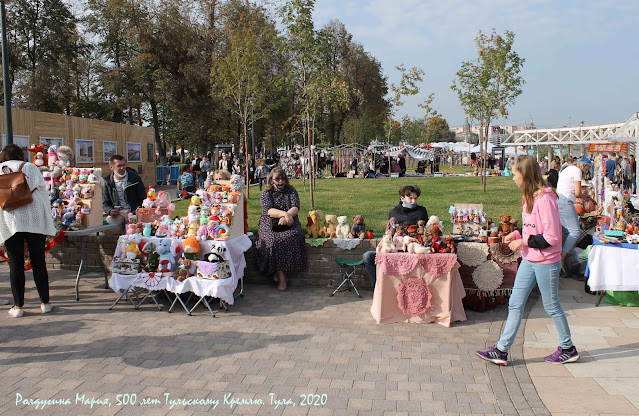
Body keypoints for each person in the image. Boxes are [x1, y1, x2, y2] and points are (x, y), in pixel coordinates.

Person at [476, 155, 579, 366]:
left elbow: (552, 237)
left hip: (546, 262)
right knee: (515, 304)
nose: (512, 178)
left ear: (525, 174)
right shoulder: (530, 197)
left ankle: (567, 348)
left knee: (551, 305)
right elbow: (533, 228)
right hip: (530, 259)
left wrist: (523, 241)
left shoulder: (546, 199)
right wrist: (516, 235)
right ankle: (502, 350)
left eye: (514, 174)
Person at [0, 144, 56, 317]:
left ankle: (18, 307)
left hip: (10, 220)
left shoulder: (0, 169)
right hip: (35, 220)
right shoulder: (31, 167)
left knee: (15, 264)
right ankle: (45, 303)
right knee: (39, 262)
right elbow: (43, 193)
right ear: (21, 154)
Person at [362, 185, 429, 287]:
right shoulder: (394, 212)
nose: (413, 201)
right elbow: (390, 231)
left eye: (415, 198)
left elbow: (426, 230)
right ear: (402, 198)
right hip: (395, 249)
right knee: (367, 257)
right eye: (410, 198)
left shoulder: (421, 211)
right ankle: (378, 287)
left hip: (414, 248)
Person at [255, 167, 306, 291]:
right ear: (271, 180)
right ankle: (281, 276)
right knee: (272, 241)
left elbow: (295, 207)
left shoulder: (291, 190)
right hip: (270, 222)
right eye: (277, 179)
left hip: (289, 221)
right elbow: (269, 210)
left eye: (282, 178)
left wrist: (287, 216)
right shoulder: (266, 193)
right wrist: (284, 214)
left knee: (292, 236)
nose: (280, 181)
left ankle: (280, 273)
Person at [556, 157, 591, 265]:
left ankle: (567, 261)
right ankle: (562, 257)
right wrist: (584, 196)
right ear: (584, 166)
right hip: (566, 201)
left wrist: (582, 196)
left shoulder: (569, 168)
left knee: (567, 232)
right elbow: (577, 192)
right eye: (588, 168)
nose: (588, 171)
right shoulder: (577, 171)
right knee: (575, 232)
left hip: (559, 199)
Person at [103, 154, 146, 225]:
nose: (122, 168)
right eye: (118, 166)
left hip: (134, 211)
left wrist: (136, 212)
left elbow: (143, 198)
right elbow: (105, 202)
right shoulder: (108, 182)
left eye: (123, 165)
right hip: (118, 213)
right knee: (108, 228)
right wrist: (110, 211)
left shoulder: (135, 178)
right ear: (111, 167)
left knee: (137, 228)